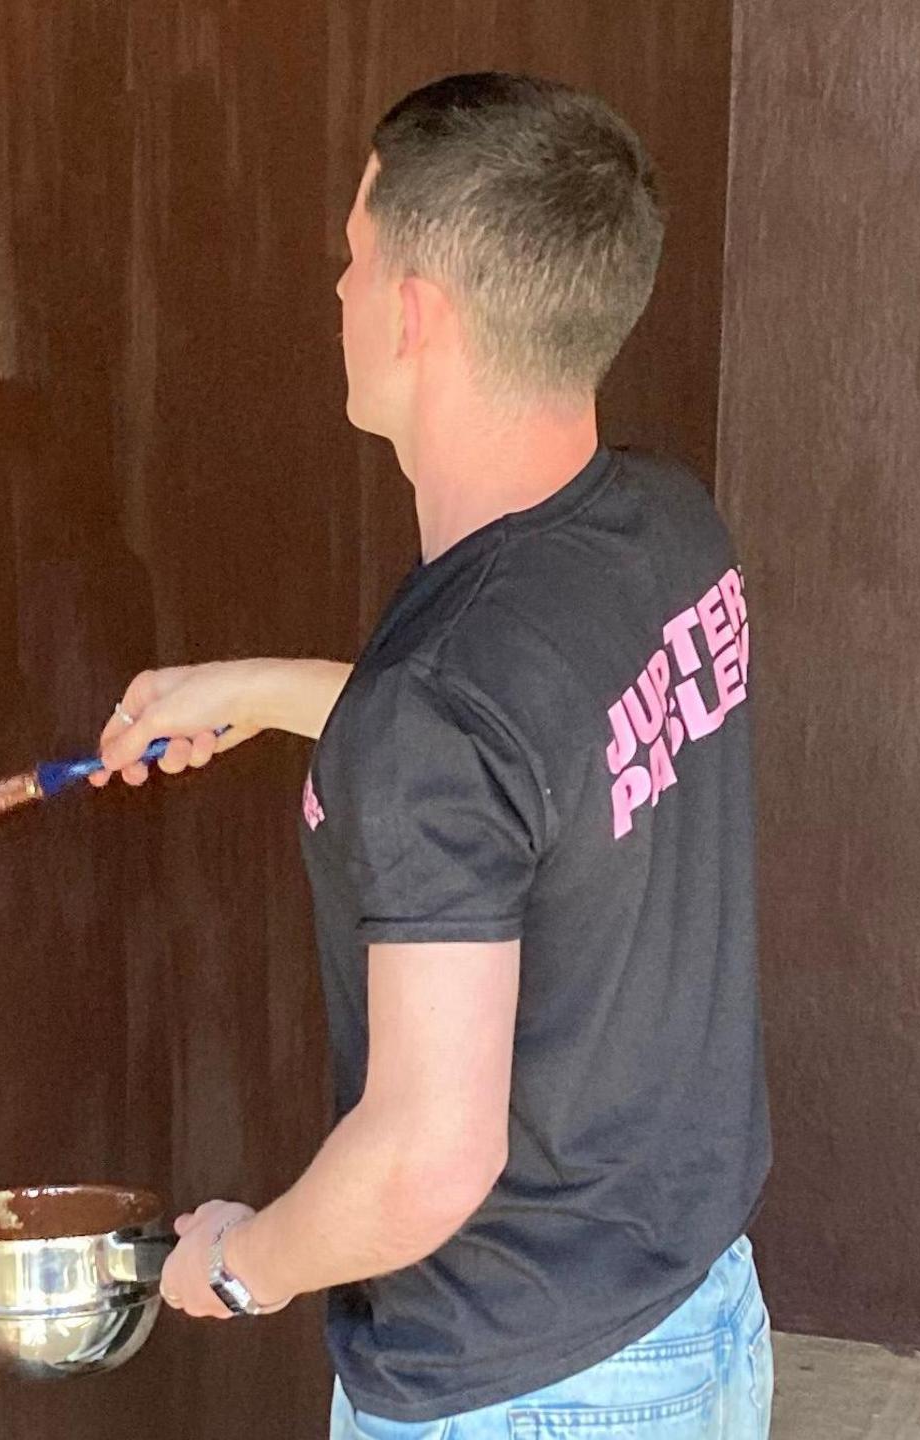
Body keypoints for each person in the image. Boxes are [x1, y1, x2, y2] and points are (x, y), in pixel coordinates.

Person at [90, 72, 772, 1438]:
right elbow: (534, 758)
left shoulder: (438, 706)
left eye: (352, 257)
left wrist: (238, 1258)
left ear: (413, 309)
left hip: (518, 1393)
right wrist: (259, 689)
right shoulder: (665, 529)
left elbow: (426, 1157)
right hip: (699, 1325)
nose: (337, 292)